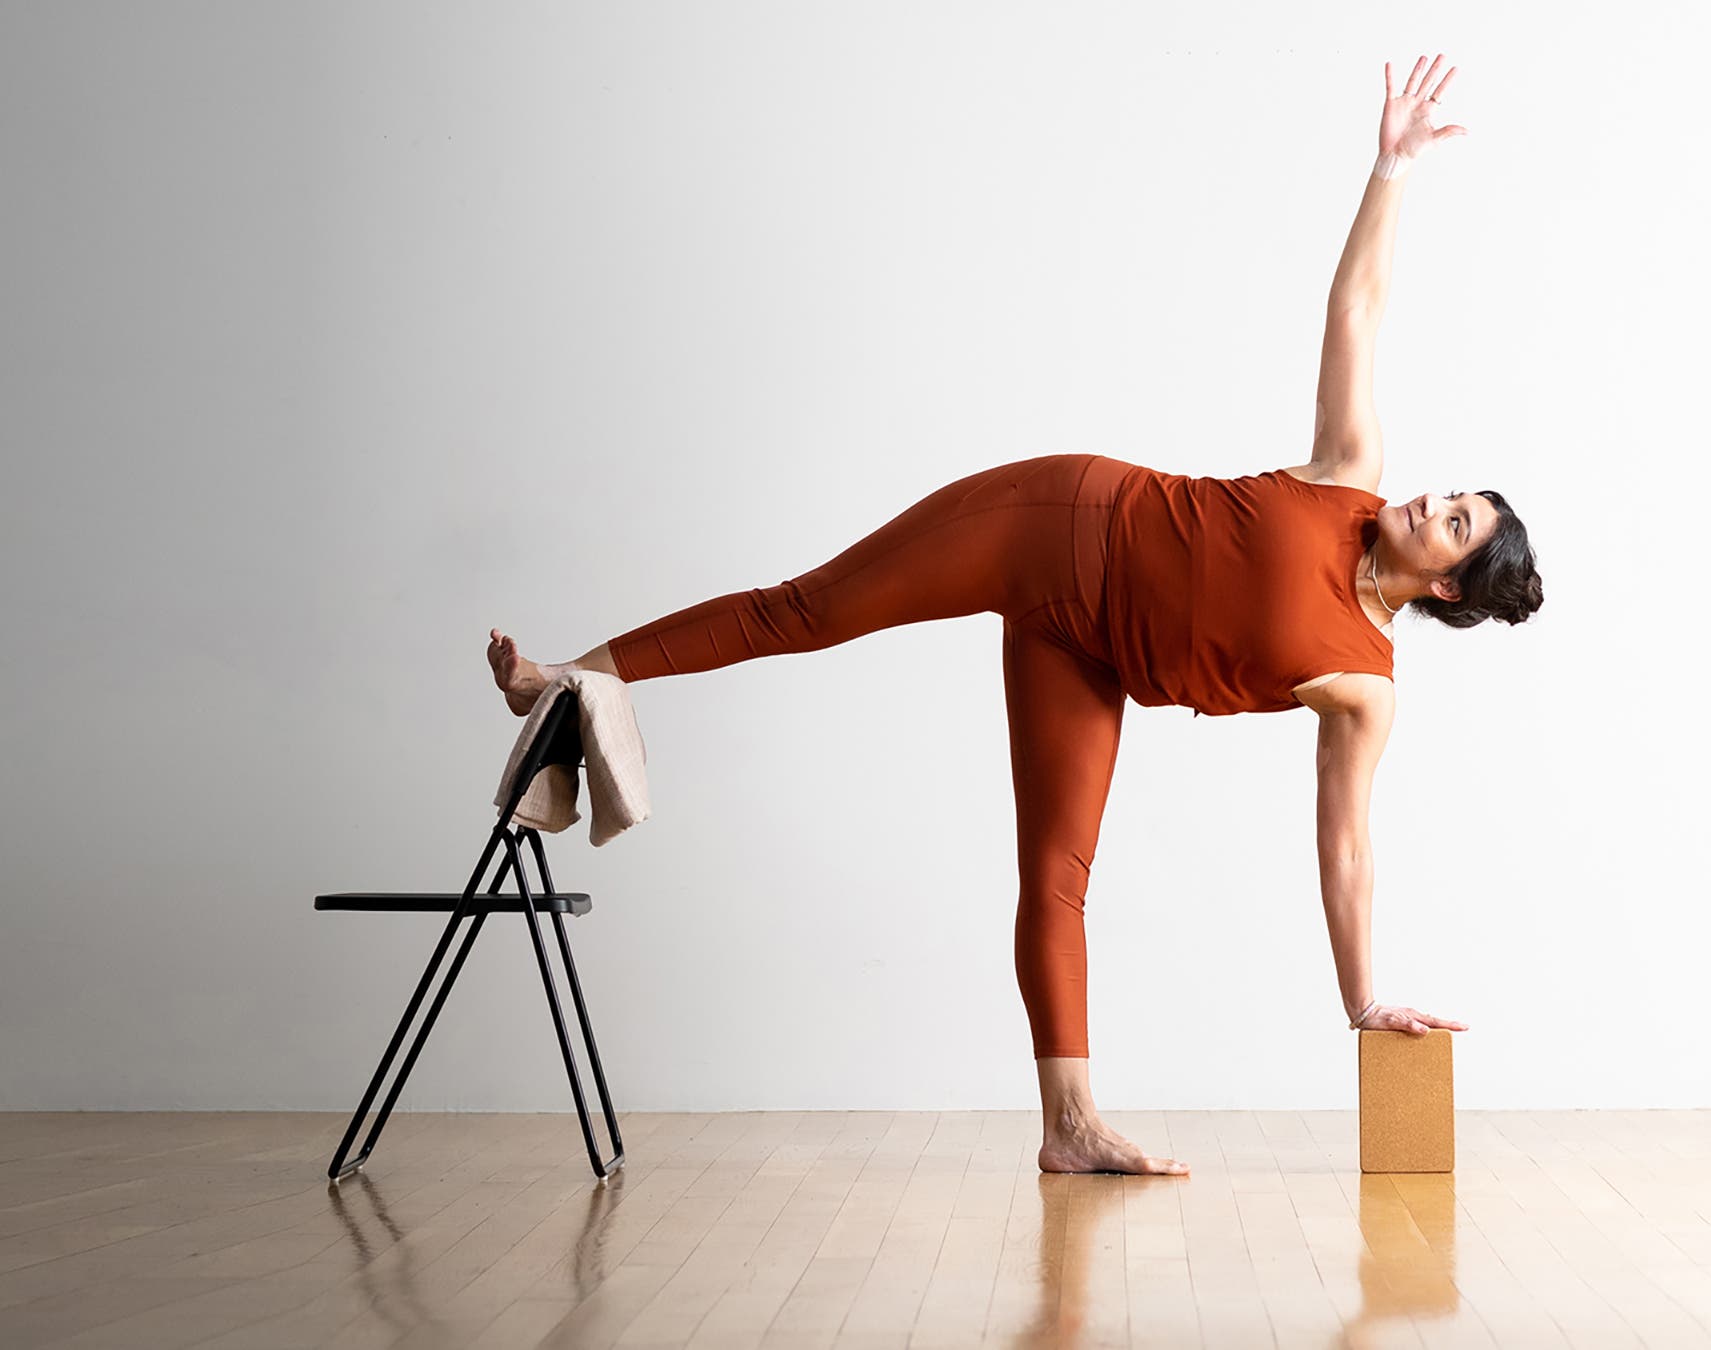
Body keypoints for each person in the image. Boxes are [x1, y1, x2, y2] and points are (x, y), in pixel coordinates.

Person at [487, 55, 1542, 1175]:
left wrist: (1364, 999)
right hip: (1059, 517)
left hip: (1085, 653)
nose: (1433, 501)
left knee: (1056, 876)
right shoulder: (1350, 474)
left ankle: (1069, 1127)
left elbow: (1345, 848)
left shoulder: (1364, 690)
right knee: (811, 609)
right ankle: (565, 675)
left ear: (1444, 588)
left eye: (1454, 525)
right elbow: (1358, 305)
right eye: (1455, 494)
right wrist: (1390, 168)